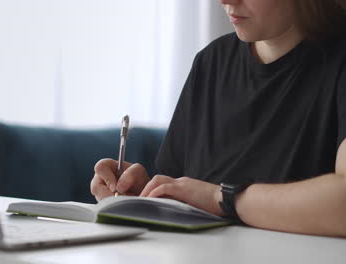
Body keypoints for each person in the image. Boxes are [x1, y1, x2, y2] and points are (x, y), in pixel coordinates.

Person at [90, 0, 346, 237]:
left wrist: (223, 198)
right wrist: (144, 198)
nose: (225, 0)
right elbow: (185, 194)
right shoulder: (211, 62)